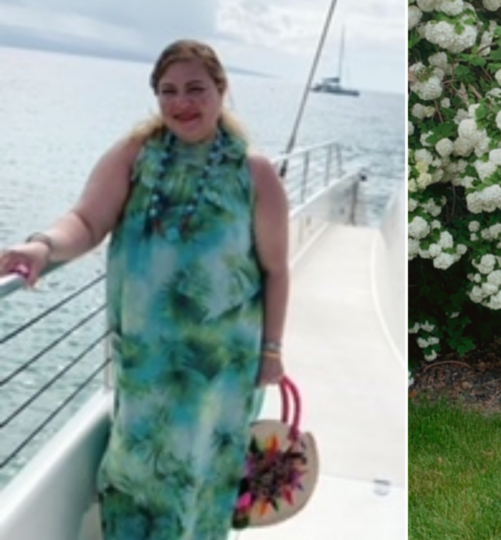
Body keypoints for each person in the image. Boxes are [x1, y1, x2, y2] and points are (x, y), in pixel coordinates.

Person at [0, 39, 290, 539]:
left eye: (195, 89)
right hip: (146, 363)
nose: (181, 103)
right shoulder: (137, 156)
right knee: (135, 473)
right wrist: (43, 248)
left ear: (221, 90)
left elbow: (276, 270)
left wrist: (272, 349)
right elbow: (87, 220)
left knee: (205, 475)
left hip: (221, 370)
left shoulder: (254, 173)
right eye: (168, 91)